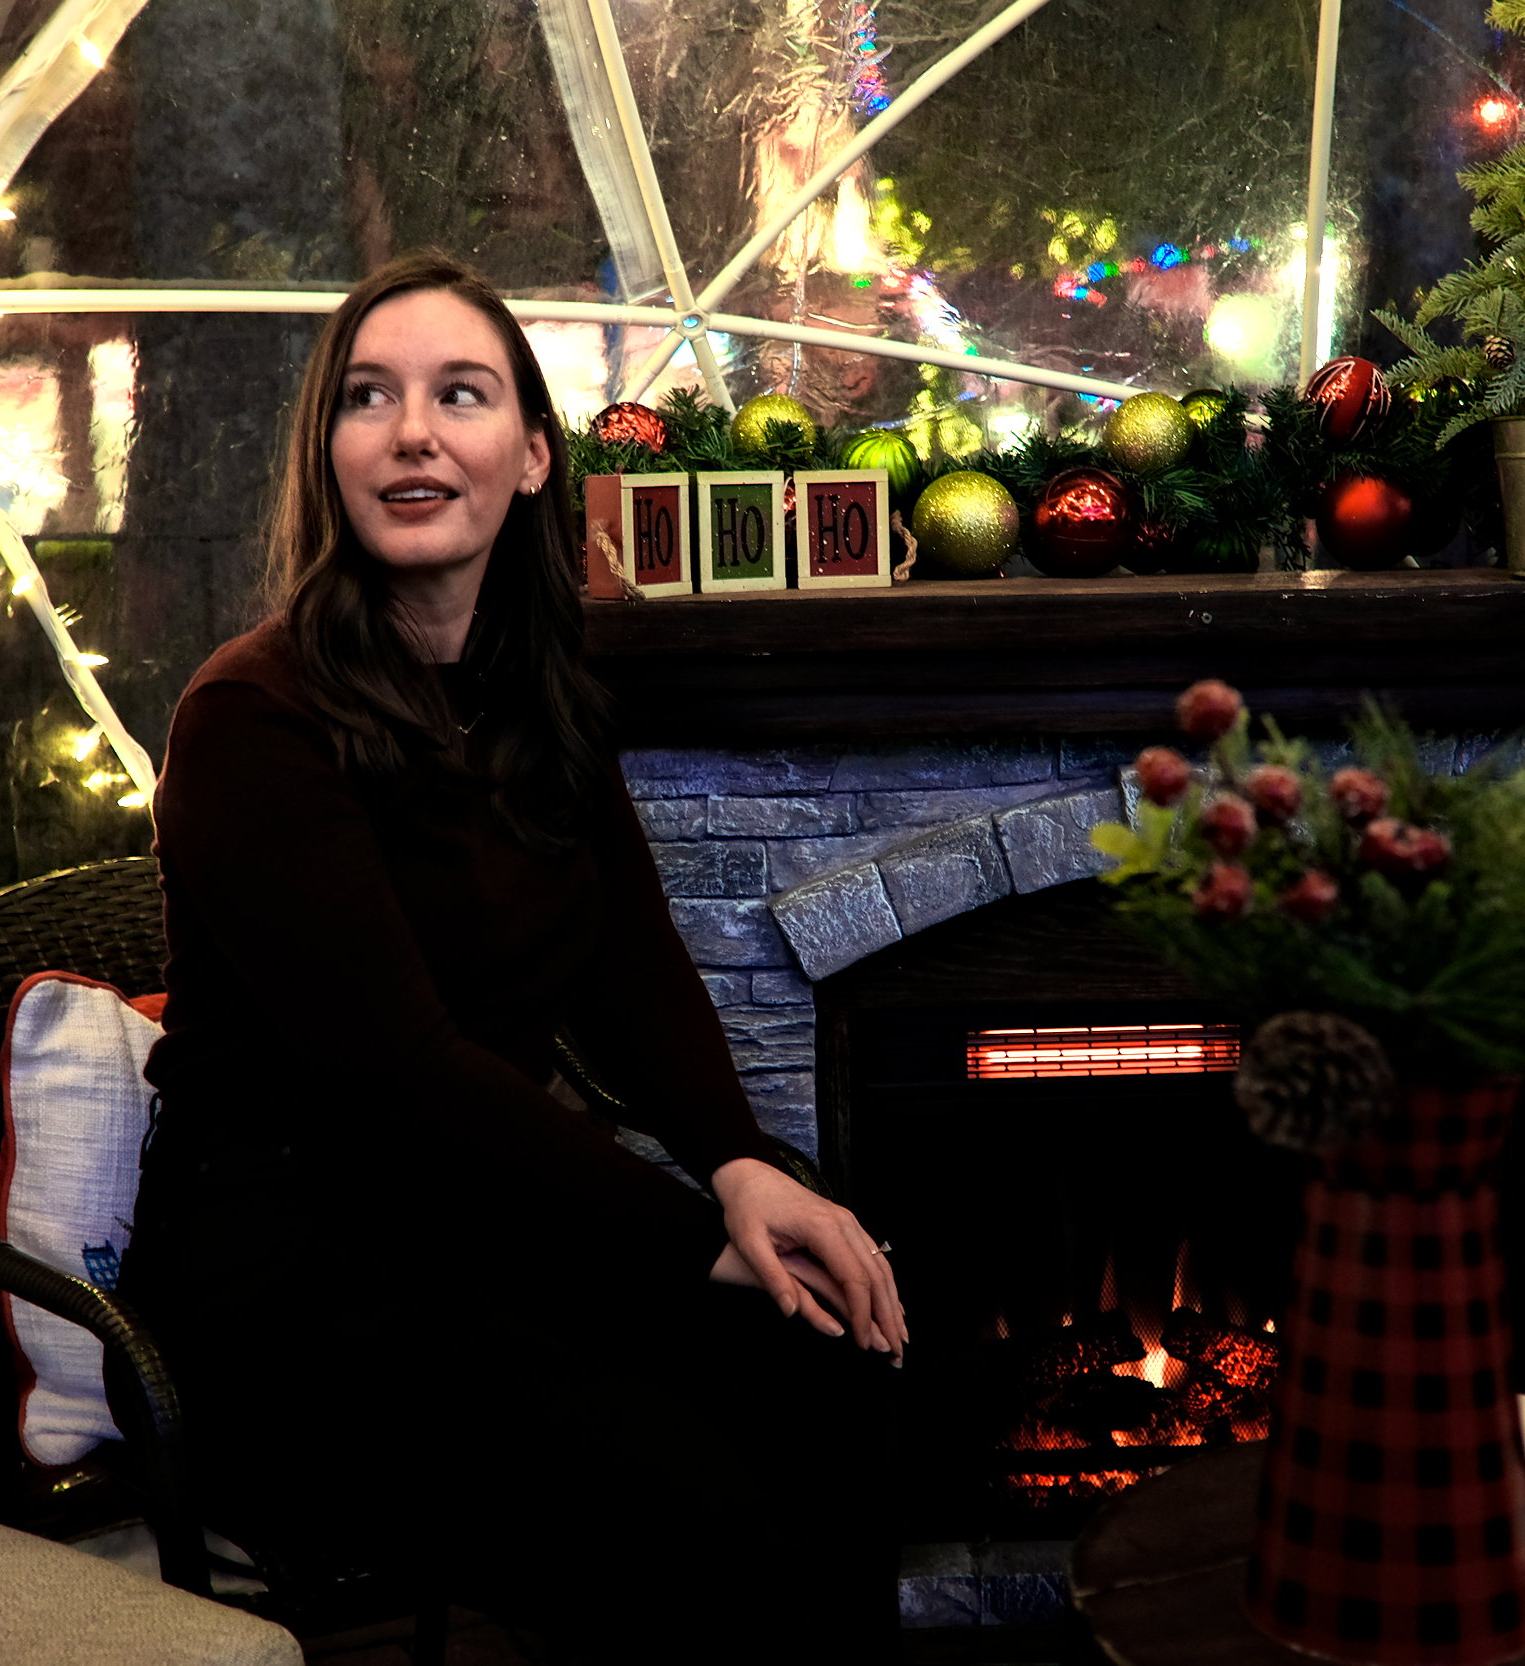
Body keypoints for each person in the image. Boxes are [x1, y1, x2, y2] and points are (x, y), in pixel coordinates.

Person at [123, 252, 905, 1662]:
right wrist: (694, 1244)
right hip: (305, 1291)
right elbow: (402, 1082)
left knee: (848, 1381)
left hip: (487, 1231)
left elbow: (629, 957)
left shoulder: (540, 694)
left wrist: (739, 1165)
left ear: (534, 455)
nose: (412, 429)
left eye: (459, 394)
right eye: (370, 399)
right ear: (332, 457)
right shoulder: (254, 717)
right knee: (714, 1524)